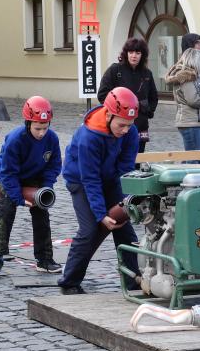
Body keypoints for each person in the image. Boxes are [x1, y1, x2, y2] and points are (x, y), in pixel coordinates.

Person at [56, 87, 141, 295]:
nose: (125, 130)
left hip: (111, 178)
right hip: (81, 181)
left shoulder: (131, 133)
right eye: (121, 125)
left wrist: (123, 203)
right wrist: (101, 213)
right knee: (90, 230)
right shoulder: (89, 136)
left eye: (129, 125)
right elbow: (90, 178)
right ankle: (69, 282)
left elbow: (126, 170)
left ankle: (133, 282)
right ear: (109, 115)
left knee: (125, 230)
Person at [0, 96, 63, 275]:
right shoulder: (16, 139)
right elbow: (8, 172)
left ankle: (44, 259)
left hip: (35, 178)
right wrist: (18, 198)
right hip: (10, 176)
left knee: (41, 215)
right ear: (28, 123)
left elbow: (53, 166)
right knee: (6, 211)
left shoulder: (52, 139)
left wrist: (46, 187)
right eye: (38, 128)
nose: (42, 133)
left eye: (45, 127)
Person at [97, 37, 158, 154]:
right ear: (126, 53)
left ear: (142, 55)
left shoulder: (147, 73)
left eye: (137, 53)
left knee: (138, 157)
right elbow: (103, 95)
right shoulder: (115, 70)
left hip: (140, 124)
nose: (134, 56)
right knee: (119, 157)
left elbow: (153, 97)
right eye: (131, 52)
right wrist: (120, 108)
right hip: (119, 125)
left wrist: (147, 110)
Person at [166, 48, 200, 151]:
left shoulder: (192, 75)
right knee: (193, 157)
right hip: (190, 121)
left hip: (194, 121)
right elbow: (193, 100)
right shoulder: (187, 77)